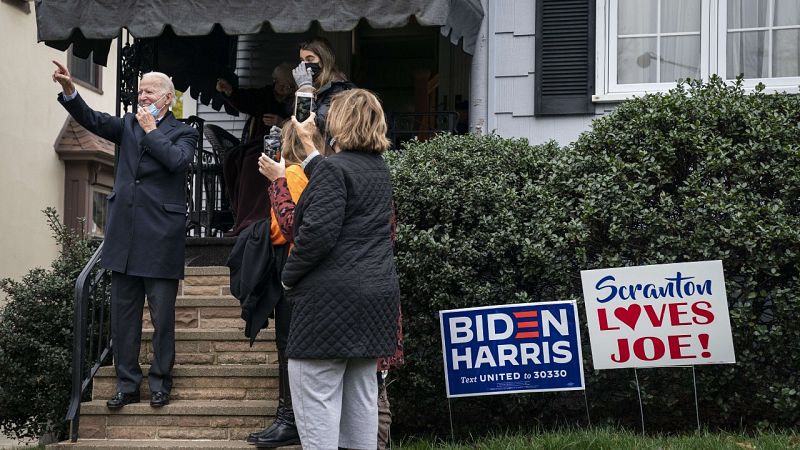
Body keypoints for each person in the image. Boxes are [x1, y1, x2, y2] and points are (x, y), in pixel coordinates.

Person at [52, 62, 199, 409]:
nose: (141, 95)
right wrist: (70, 89)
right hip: (125, 238)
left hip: (161, 238)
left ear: (166, 98)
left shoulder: (184, 132)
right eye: (140, 90)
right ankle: (127, 384)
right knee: (124, 319)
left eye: (148, 91)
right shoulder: (127, 125)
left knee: (162, 319)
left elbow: (178, 163)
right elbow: (93, 120)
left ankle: (161, 383)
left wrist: (152, 132)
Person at [276, 90, 400, 449]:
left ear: (339, 123)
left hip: (328, 304)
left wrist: (289, 275)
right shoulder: (378, 169)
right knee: (361, 401)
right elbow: (341, 183)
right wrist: (312, 149)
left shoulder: (334, 169)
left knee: (316, 409)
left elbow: (316, 235)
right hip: (376, 301)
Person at [243, 121, 325, 448]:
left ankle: (288, 419)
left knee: (288, 346)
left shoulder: (291, 175)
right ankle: (288, 417)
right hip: (309, 271)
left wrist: (276, 181)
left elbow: (285, 228)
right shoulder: (319, 173)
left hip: (294, 268)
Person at [216, 64, 295, 236]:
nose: (284, 89)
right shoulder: (264, 95)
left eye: (289, 86)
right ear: (274, 82)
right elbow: (245, 100)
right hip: (258, 147)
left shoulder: (296, 101)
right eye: (281, 84)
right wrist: (229, 91)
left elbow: (301, 125)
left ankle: (267, 217)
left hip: (289, 149)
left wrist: (282, 123)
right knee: (247, 164)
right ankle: (247, 219)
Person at [291, 37, 354, 137]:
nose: (304, 64)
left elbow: (315, 125)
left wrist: (305, 89)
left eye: (310, 59)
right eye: (302, 60)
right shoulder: (314, 84)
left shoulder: (337, 87)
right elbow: (299, 120)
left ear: (324, 60)